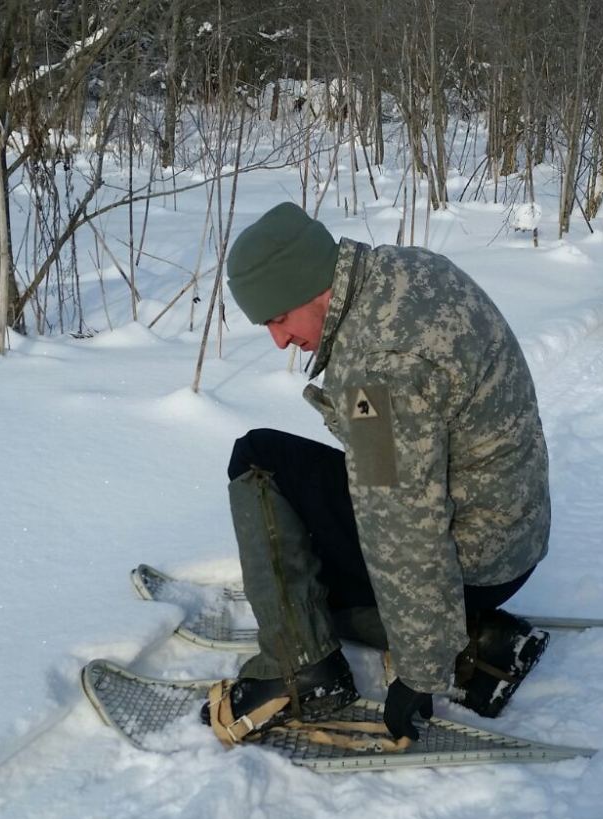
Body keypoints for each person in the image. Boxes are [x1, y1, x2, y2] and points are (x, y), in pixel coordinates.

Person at [203, 201, 551, 746]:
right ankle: (465, 631)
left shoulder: (378, 367)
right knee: (320, 499)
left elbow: (403, 526)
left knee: (258, 462)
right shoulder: (402, 273)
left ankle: (302, 670)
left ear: (309, 285)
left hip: (474, 560)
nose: (278, 340)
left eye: (277, 319)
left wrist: (418, 672)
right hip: (510, 535)